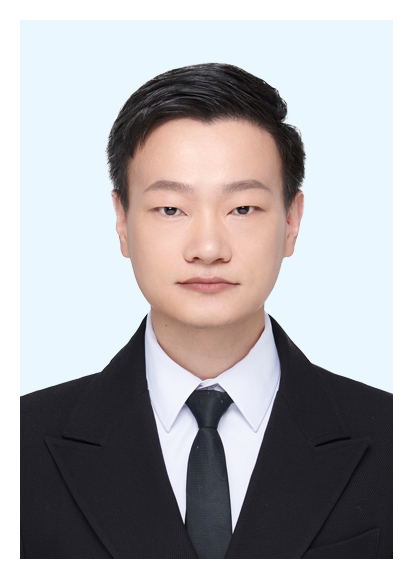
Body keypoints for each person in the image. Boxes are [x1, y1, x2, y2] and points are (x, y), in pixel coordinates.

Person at [20, 63, 392, 559]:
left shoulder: (394, 437)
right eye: (171, 209)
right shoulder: (19, 443)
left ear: (292, 221)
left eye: (243, 208)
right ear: (122, 222)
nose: (209, 248)